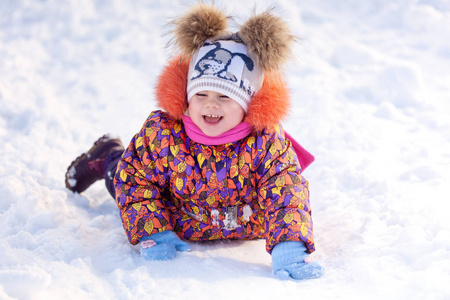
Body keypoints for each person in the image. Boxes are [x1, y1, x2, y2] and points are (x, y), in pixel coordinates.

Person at [65, 3, 324, 280]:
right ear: (188, 97)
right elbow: (135, 180)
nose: (210, 104)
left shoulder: (266, 143)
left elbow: (285, 193)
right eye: (201, 95)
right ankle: (107, 155)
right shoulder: (164, 135)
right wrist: (153, 230)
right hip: (174, 213)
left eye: (225, 96)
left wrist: (290, 247)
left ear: (248, 103)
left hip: (244, 221)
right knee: (120, 175)